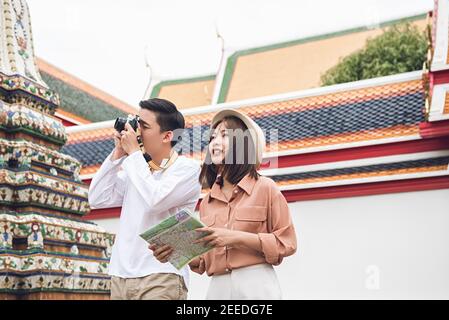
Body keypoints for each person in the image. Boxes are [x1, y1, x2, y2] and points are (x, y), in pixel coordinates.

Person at [151, 108, 297, 300]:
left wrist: (234, 237)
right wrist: (174, 253)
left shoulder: (266, 188)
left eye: (224, 135)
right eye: (212, 138)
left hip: (256, 285)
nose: (215, 142)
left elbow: (286, 243)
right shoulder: (207, 202)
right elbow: (203, 261)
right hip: (217, 288)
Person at [88, 98, 201, 300]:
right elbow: (97, 198)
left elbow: (156, 200)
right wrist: (118, 153)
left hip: (161, 275)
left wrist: (133, 154)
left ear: (167, 136)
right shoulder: (136, 169)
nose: (136, 132)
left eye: (144, 127)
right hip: (120, 276)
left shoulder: (187, 169)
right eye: (136, 123)